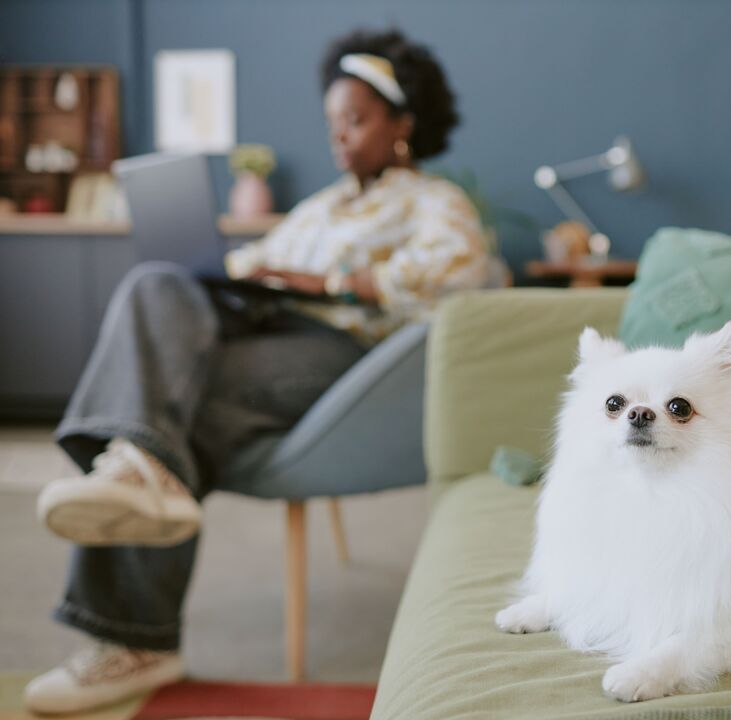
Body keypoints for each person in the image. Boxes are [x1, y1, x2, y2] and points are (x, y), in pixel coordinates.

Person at [24, 28, 490, 715]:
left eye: (356, 121)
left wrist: (325, 278)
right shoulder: (321, 206)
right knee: (158, 285)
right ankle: (137, 474)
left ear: (403, 125)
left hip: (344, 363)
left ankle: (132, 630)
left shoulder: (433, 200)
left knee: (175, 409)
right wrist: (231, 272)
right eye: (333, 125)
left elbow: (460, 273)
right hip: (262, 335)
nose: (339, 139)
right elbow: (253, 264)